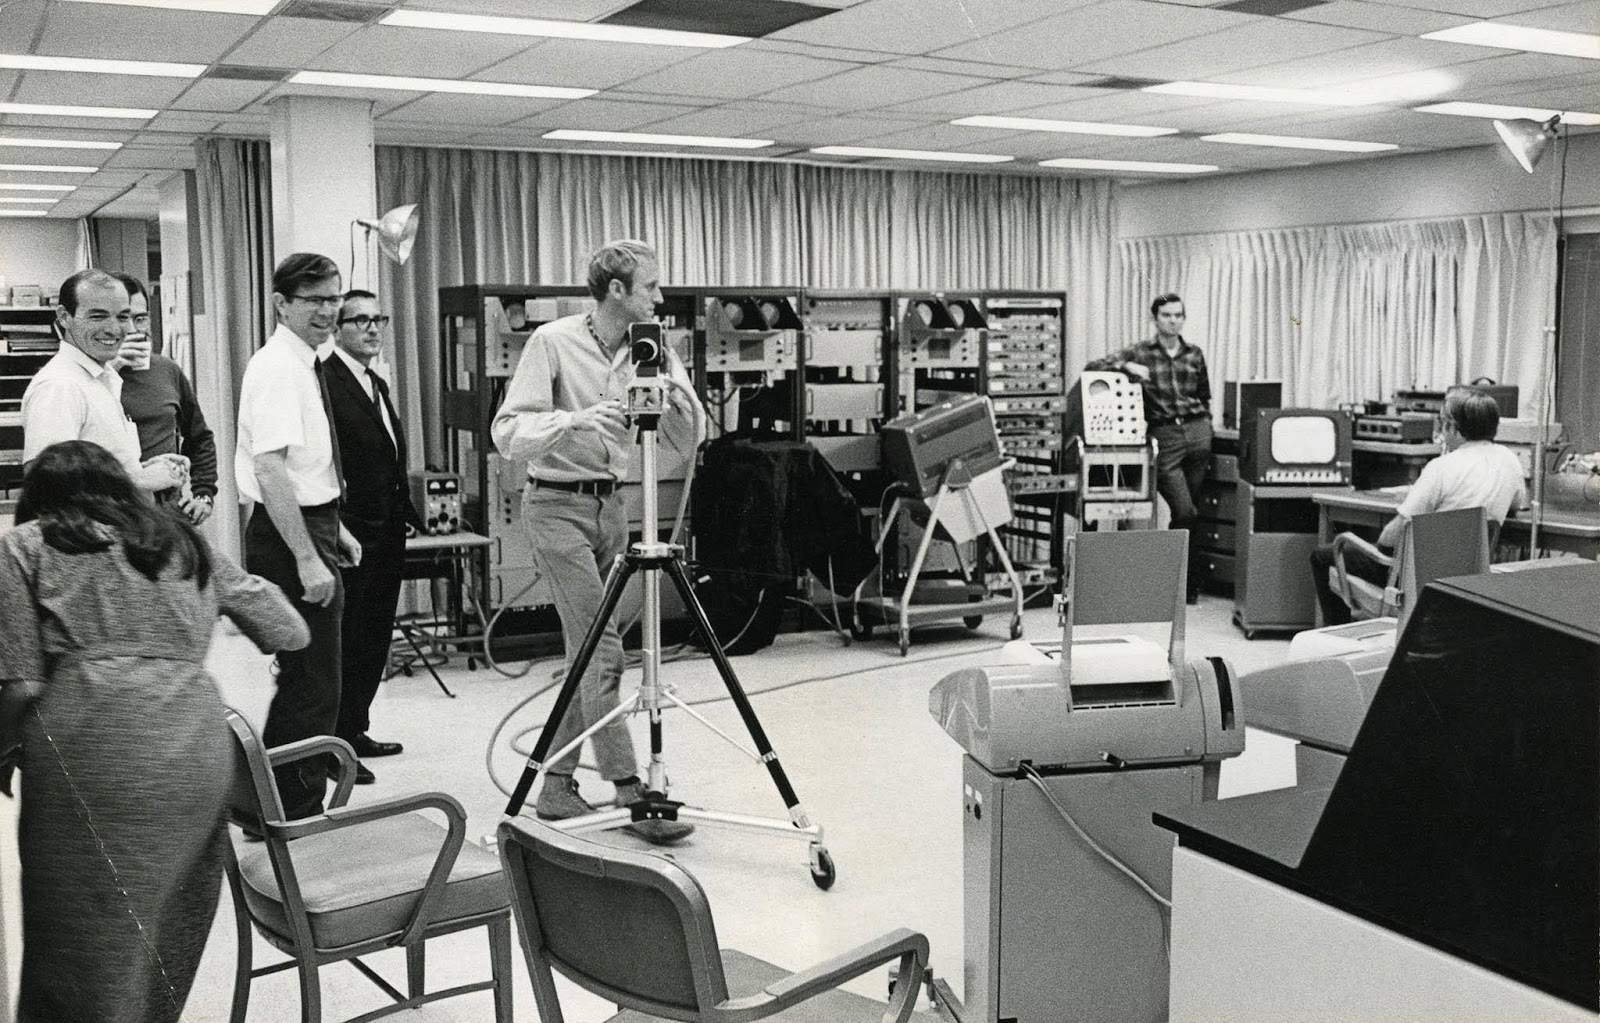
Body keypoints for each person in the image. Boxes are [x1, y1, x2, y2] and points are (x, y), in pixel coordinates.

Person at [0, 440, 309, 1023]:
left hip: (90, 738)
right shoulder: (185, 544)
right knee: (172, 923)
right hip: (193, 740)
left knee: (75, 932)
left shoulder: (26, 545)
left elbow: (19, 684)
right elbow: (289, 630)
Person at [492, 239, 702, 844]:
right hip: (554, 504)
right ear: (617, 290)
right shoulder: (552, 342)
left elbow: (689, 439)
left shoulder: (650, 349)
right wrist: (576, 420)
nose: (660, 299)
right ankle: (631, 789)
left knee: (585, 656)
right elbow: (507, 431)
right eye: (650, 288)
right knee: (603, 649)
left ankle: (555, 788)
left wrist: (674, 386)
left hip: (612, 505)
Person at [236, 252, 362, 820]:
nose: (328, 311)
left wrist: (336, 531)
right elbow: (270, 471)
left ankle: (272, 803)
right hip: (289, 533)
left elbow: (306, 468)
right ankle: (288, 812)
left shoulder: (307, 361)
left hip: (312, 522)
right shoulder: (277, 368)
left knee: (311, 679)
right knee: (312, 683)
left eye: (334, 298)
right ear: (281, 304)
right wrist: (309, 558)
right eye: (313, 300)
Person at [1310, 387, 1527, 625]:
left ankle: (1337, 637)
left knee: (1323, 556)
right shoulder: (1509, 461)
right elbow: (1518, 504)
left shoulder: (1442, 467)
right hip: (1468, 578)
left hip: (1418, 577)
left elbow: (1391, 537)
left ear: (1453, 427)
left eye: (1444, 423)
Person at [319, 289, 423, 784]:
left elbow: (388, 455)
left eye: (378, 318)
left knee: (375, 636)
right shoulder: (326, 382)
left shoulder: (373, 381)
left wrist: (404, 512)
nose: (372, 328)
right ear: (337, 329)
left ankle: (355, 729)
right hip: (352, 533)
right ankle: (334, 745)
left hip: (386, 532)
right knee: (348, 637)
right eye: (359, 320)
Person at [1085, 292, 1213, 603]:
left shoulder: (1194, 353)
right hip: (1165, 435)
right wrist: (1128, 367)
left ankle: (1185, 586)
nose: (1173, 320)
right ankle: (1174, 581)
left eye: (1178, 315)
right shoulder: (1141, 352)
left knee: (1192, 512)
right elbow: (1093, 366)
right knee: (1184, 510)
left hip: (1198, 434)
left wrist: (1205, 427)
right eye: (1167, 315)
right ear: (1155, 319)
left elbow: (1204, 394)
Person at [21, 269, 189, 495]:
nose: (114, 329)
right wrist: (137, 481)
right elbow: (45, 485)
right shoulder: (60, 386)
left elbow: (89, 470)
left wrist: (138, 469)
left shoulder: (101, 378)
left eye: (122, 316)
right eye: (98, 316)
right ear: (64, 317)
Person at [109, 272, 218, 524]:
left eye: (141, 319)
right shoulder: (88, 380)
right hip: (114, 516)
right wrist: (111, 368)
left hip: (168, 514)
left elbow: (199, 437)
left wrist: (203, 493)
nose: (134, 329)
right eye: (124, 319)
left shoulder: (166, 370)